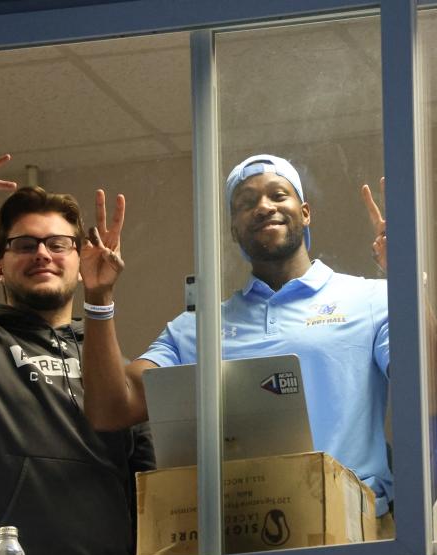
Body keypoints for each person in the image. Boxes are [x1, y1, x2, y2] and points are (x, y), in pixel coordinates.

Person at [80, 154, 399, 531]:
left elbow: (431, 392)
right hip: (237, 538)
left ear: (305, 212)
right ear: (234, 229)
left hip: (352, 531)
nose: (264, 207)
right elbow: (111, 409)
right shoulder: (197, 329)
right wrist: (98, 299)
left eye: (278, 195)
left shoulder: (373, 300)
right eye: (246, 203)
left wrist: (403, 272)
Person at [0, 155, 154, 555]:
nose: (42, 254)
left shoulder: (112, 367)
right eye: (25, 245)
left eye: (58, 243)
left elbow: (153, 490)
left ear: (80, 263)